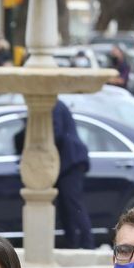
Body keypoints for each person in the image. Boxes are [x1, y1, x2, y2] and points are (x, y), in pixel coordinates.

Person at [53, 100, 93, 249]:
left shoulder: (53, 104)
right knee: (65, 206)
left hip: (71, 161)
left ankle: (87, 244)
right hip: (67, 162)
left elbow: (56, 132)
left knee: (73, 204)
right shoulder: (56, 104)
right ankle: (73, 243)